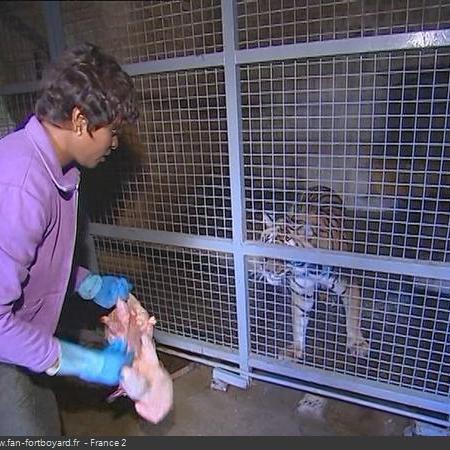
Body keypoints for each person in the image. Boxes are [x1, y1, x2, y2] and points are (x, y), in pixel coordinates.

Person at [0, 42, 139, 436]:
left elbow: (29, 259)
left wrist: (85, 283)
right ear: (80, 121)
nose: (114, 144)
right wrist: (82, 362)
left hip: (23, 345)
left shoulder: (55, 172)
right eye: (112, 132)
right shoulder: (22, 183)